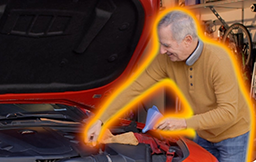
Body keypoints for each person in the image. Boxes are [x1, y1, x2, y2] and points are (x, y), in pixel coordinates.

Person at [85, 9, 251, 162]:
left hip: (233, 135)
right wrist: (101, 120)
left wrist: (184, 122)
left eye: (167, 45)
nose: (162, 51)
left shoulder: (218, 61)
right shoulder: (166, 60)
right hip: (204, 133)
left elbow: (228, 112)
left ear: (187, 40)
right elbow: (134, 88)